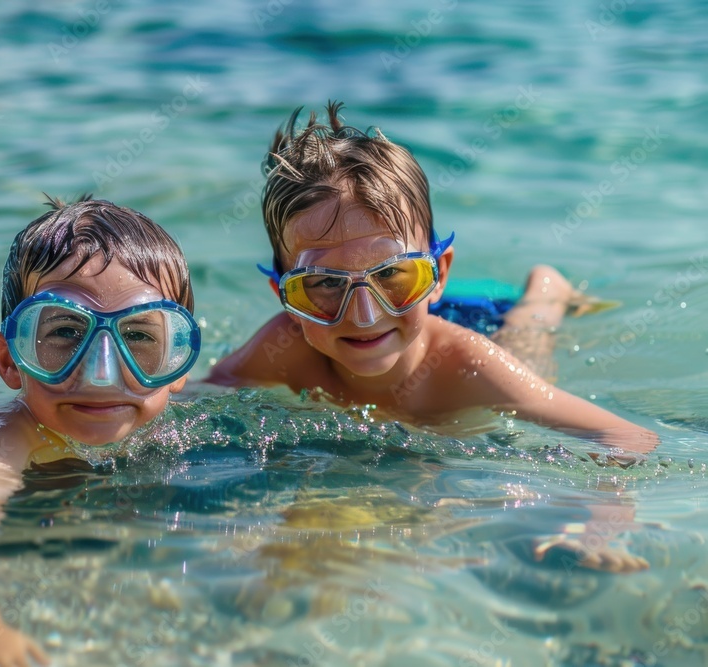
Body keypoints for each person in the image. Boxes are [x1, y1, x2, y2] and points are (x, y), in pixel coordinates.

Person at [208, 101, 657, 455]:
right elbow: (201, 397)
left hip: (473, 349)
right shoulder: (283, 348)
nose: (364, 316)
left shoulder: (470, 367)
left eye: (391, 273)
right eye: (325, 283)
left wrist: (595, 517)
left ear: (439, 274)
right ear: (285, 298)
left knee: (527, 342)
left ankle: (546, 288)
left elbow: (629, 437)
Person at [0, 197, 201, 667]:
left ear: (179, 364)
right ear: (10, 361)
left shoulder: (186, 418)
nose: (102, 375)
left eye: (139, 336)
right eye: (65, 332)